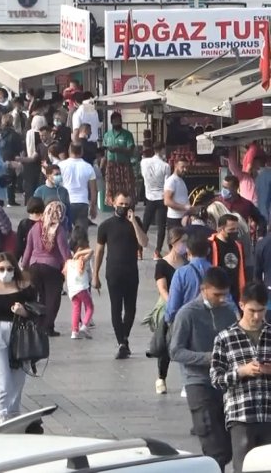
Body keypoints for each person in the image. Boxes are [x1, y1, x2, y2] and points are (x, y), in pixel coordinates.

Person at [167, 267, 236, 470]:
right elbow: (176, 351)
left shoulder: (228, 312)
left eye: (225, 294)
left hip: (224, 384)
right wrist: (208, 358)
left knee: (228, 444)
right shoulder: (187, 313)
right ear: (204, 289)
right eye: (217, 295)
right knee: (214, 445)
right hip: (198, 383)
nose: (222, 299)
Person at [210, 282, 271, 473]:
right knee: (243, 468)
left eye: (261, 310)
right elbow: (216, 379)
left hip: (268, 414)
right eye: (252, 310)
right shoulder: (225, 338)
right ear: (242, 305)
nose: (257, 316)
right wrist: (241, 372)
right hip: (241, 415)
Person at [93, 192, 148, 359]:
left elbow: (144, 242)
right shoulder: (105, 226)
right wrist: (95, 274)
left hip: (131, 271)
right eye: (121, 203)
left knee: (131, 308)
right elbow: (99, 251)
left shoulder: (135, 222)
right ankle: (122, 343)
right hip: (113, 272)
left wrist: (134, 223)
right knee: (116, 308)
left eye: (127, 204)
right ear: (113, 203)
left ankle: (125, 337)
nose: (124, 207)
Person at [0, 253, 36, 423]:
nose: (6, 273)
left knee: (18, 380)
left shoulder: (24, 287)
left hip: (20, 334)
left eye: (10, 269)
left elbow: (37, 311)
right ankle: (3, 415)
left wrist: (24, 311)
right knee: (3, 379)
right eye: (1, 269)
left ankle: (13, 414)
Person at [20, 201, 70, 336]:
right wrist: (70, 265)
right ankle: (48, 327)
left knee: (41, 298)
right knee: (53, 299)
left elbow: (28, 249)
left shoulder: (35, 227)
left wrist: (24, 267)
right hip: (52, 268)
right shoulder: (58, 229)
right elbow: (64, 251)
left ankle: (39, 324)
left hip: (34, 267)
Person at [150, 228, 187, 394]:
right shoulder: (162, 264)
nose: (185, 245)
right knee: (165, 343)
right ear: (173, 242)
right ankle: (161, 377)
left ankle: (186, 379)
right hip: (168, 306)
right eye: (182, 241)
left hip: (185, 307)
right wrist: (173, 304)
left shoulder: (187, 263)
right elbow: (162, 288)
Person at [59, 142, 98, 235]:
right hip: (82, 202)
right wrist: (93, 207)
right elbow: (93, 190)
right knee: (81, 235)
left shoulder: (61, 165)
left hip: (66, 202)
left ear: (69, 151)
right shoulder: (88, 167)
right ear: (82, 152)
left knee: (65, 233)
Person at [141, 143, 172, 259]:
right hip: (161, 197)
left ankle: (139, 250)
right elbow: (167, 183)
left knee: (145, 225)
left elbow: (143, 176)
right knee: (161, 226)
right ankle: (157, 252)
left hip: (149, 196)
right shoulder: (166, 166)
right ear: (162, 150)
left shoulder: (144, 162)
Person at [210, 213, 247, 301]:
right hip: (218, 290)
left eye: (236, 229)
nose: (235, 232)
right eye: (231, 229)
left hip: (235, 292)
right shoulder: (211, 245)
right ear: (221, 229)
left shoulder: (238, 246)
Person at [101, 112, 136, 206]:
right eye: (115, 121)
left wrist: (118, 149)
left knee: (127, 187)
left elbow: (130, 149)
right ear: (112, 122)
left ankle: (128, 206)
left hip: (124, 165)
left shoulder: (127, 134)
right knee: (111, 188)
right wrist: (102, 166)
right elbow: (104, 151)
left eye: (119, 120)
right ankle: (115, 206)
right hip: (111, 165)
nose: (117, 122)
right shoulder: (107, 135)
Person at [164, 158, 192, 230]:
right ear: (175, 165)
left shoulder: (181, 180)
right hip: (175, 219)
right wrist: (184, 207)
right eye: (182, 167)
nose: (185, 169)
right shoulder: (171, 181)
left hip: (183, 218)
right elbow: (167, 201)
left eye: (186, 167)